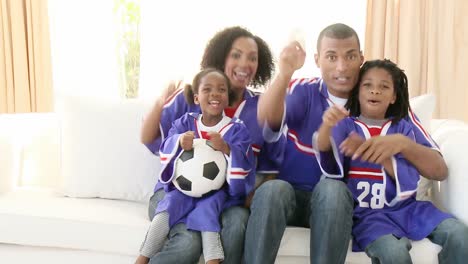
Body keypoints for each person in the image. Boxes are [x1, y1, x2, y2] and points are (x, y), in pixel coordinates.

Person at [249, 23, 448, 263]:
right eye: (331, 57)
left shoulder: (380, 101)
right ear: (317, 59)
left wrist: (403, 144)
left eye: (350, 56)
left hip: (342, 206)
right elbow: (266, 120)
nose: (341, 67)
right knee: (273, 189)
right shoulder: (305, 91)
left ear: (361, 58)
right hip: (294, 197)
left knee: (332, 190)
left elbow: (438, 169)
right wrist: (284, 73)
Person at [141, 26, 284, 263]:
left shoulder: (261, 109)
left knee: (237, 224)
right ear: (221, 56)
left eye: (253, 58)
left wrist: (248, 195)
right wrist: (160, 101)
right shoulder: (192, 96)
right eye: (236, 55)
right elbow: (150, 140)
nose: (244, 63)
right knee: (189, 243)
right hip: (177, 192)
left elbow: (272, 166)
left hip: (224, 199)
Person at [314, 59, 468, 263]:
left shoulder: (404, 127)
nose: (375, 91)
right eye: (367, 85)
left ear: (394, 96)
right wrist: (327, 127)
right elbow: (330, 167)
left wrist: (388, 154)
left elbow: (418, 176)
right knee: (394, 254)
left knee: (459, 234)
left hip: (410, 209)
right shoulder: (346, 126)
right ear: (357, 91)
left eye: (384, 86)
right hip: (369, 216)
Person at [135, 68, 255, 264]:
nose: (215, 94)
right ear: (197, 98)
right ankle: (142, 257)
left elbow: (244, 163)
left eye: (221, 90)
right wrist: (179, 141)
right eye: (207, 89)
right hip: (181, 189)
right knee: (167, 209)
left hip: (215, 193)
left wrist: (227, 148)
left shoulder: (236, 129)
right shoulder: (186, 122)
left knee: (208, 214)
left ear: (227, 98)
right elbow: (166, 148)